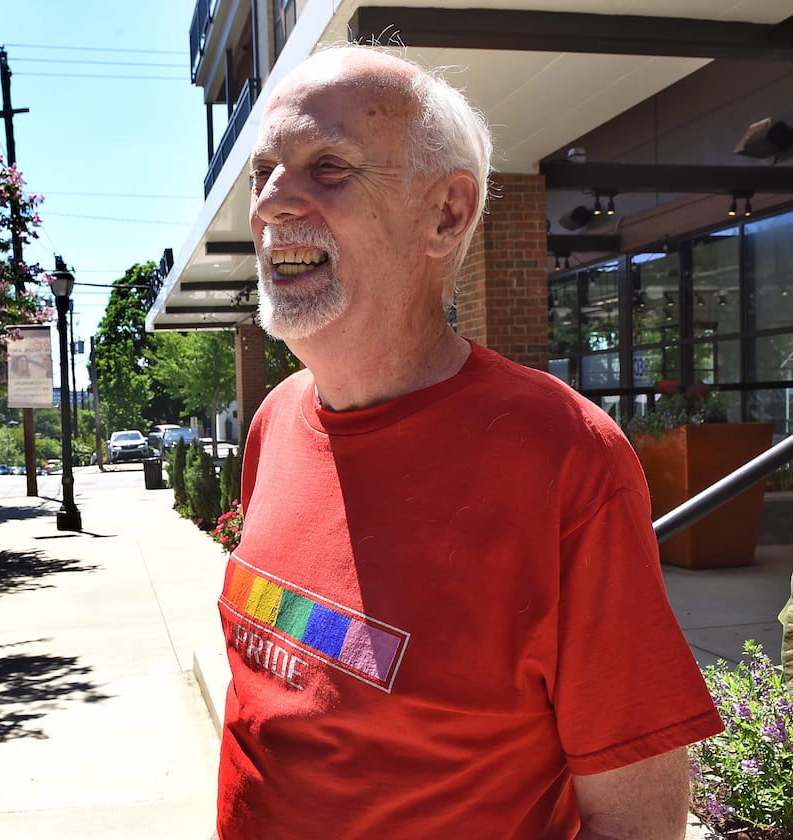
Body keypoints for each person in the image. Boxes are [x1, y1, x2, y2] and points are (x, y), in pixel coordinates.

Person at [216, 45, 723, 839]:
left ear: (446, 214)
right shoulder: (274, 423)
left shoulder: (565, 459)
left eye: (328, 167)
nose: (273, 202)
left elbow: (638, 823)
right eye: (264, 171)